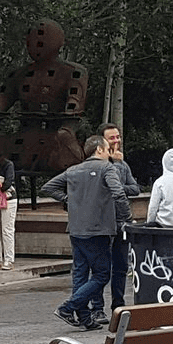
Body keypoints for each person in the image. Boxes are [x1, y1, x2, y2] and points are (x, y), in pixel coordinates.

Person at [40, 135, 129, 330]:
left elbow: (47, 187)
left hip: (76, 228)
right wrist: (124, 216)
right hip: (98, 229)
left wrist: (69, 200)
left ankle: (84, 317)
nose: (109, 153)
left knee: (80, 273)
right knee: (102, 275)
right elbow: (119, 193)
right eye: (107, 149)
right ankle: (68, 307)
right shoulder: (107, 168)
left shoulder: (73, 170)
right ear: (99, 150)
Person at [98, 124, 143, 323]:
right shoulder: (98, 164)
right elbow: (107, 188)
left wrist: (119, 170)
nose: (116, 142)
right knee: (100, 267)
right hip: (101, 222)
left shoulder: (124, 164)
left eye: (118, 137)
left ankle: (118, 304)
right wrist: (115, 164)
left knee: (121, 266)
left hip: (121, 221)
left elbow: (135, 189)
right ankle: (96, 308)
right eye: (111, 138)